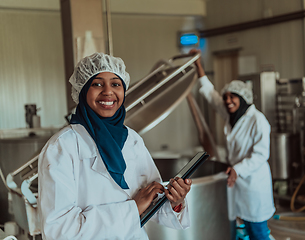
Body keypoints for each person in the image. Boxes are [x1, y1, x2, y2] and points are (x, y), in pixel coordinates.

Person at [37, 52, 192, 240]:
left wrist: (175, 201)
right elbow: (59, 232)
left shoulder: (132, 140)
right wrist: (132, 209)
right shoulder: (62, 147)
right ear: (83, 90)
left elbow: (151, 201)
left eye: (116, 84)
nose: (108, 92)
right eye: (97, 84)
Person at [189, 49, 275, 240]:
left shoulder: (257, 120)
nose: (227, 101)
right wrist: (199, 66)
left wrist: (238, 169)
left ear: (243, 98)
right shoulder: (232, 115)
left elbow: (261, 155)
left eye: (232, 97)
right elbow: (211, 96)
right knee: (239, 227)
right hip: (236, 181)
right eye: (226, 97)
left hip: (253, 183)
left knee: (258, 231)